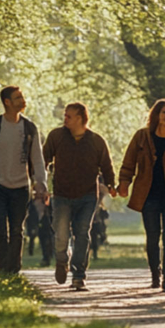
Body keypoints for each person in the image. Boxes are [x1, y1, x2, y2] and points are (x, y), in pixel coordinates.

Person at [118, 99, 165, 292]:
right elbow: (129, 162)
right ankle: (155, 274)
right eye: (164, 113)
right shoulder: (142, 137)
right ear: (156, 115)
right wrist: (124, 183)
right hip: (149, 195)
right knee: (152, 237)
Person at [0, 87, 48, 274]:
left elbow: (37, 158)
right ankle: (0, 268)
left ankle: (13, 270)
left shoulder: (29, 128)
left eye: (22, 97)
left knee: (17, 230)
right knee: (0, 228)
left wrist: (41, 183)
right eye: (18, 98)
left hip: (21, 187)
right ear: (7, 102)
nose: (23, 100)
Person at [42, 102, 116, 292]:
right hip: (61, 194)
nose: (65, 119)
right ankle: (61, 259)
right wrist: (39, 183)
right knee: (61, 233)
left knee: (82, 233)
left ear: (80, 118)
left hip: (88, 195)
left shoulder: (96, 141)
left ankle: (78, 275)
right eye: (64, 116)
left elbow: (107, 166)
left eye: (69, 116)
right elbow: (43, 160)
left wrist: (111, 185)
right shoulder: (56, 136)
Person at [26, 198, 54, 267]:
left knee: (47, 242)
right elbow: (29, 216)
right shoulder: (31, 203)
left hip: (46, 224)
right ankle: (33, 253)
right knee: (40, 241)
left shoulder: (47, 202)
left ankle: (47, 258)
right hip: (35, 224)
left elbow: (52, 214)